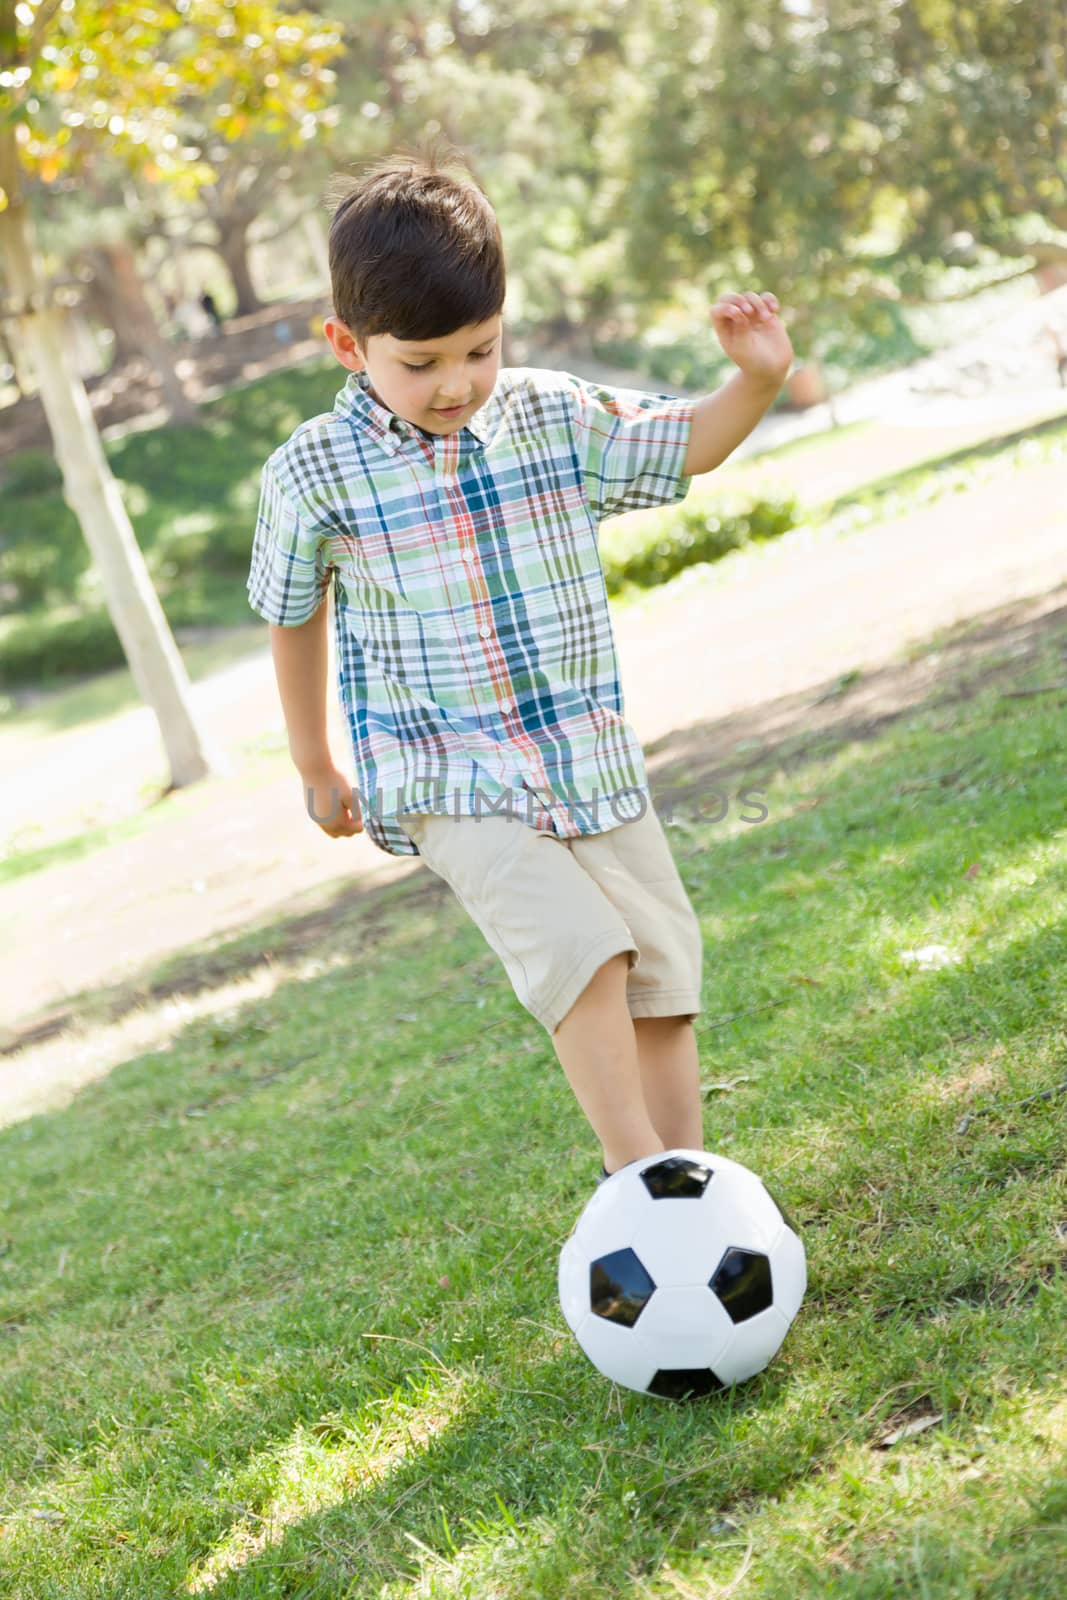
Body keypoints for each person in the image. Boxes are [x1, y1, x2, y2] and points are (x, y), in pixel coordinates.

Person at [245, 138, 793, 1184]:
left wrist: (755, 381)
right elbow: (290, 613)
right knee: (579, 944)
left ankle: (691, 1181)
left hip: (582, 754)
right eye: (421, 360)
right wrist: (315, 765)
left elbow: (679, 444)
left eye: (478, 348)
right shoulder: (313, 471)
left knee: (658, 967)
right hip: (442, 770)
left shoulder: (545, 412)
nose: (456, 382)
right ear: (345, 343)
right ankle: (640, 1184)